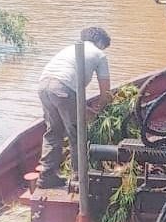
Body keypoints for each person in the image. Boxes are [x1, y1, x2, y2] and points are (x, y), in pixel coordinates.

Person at [36, 27, 111, 188]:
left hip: (44, 86)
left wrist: (85, 109)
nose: (103, 49)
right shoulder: (99, 54)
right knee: (77, 133)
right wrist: (102, 110)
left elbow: (69, 82)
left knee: (53, 132)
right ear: (100, 42)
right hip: (64, 89)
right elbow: (106, 92)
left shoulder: (69, 49)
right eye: (103, 46)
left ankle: (46, 175)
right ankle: (79, 178)